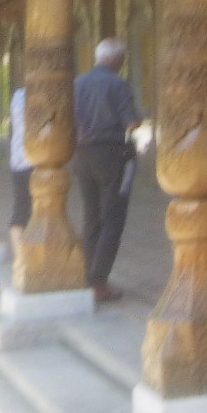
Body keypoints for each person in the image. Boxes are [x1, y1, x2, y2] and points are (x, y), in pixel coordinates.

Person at [71, 39, 145, 303]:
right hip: (110, 154)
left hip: (81, 155)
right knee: (112, 218)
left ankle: (88, 274)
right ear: (116, 60)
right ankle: (98, 282)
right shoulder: (117, 83)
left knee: (91, 216)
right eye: (122, 58)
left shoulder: (78, 83)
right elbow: (132, 122)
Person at [6, 83, 29, 259]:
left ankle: (20, 257)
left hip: (18, 158)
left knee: (21, 207)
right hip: (31, 159)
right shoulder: (32, 97)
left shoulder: (18, 95)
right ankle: (21, 257)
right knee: (23, 208)